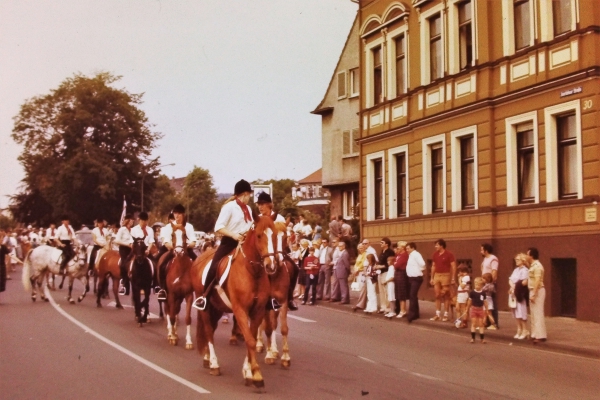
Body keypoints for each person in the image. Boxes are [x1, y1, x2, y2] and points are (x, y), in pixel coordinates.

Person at [193, 179, 253, 311]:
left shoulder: (248, 209)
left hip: (245, 244)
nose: (250, 198)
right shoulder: (229, 207)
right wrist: (234, 235)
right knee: (214, 266)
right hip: (229, 242)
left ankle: (266, 298)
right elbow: (218, 227)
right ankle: (204, 297)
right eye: (249, 195)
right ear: (244, 194)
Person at [256, 191, 298, 311]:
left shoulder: (278, 218)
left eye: (263, 204)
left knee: (295, 268)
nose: (260, 207)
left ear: (269, 205)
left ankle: (289, 298)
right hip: (264, 252)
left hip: (277, 250)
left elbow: (283, 235)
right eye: (259, 204)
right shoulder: (258, 219)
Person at [157, 204, 197, 300]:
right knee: (162, 265)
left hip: (187, 250)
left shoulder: (189, 227)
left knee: (198, 265)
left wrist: (186, 246)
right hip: (173, 250)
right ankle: (162, 288)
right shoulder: (168, 227)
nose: (177, 216)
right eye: (175, 213)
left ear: (183, 215)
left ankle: (199, 288)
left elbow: (193, 241)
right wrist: (175, 248)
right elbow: (166, 242)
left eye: (179, 214)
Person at [430, 239, 456, 322]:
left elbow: (453, 266)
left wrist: (453, 278)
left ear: (441, 245)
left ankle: (446, 314)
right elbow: (433, 266)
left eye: (437, 245)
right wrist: (431, 277)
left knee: (445, 295)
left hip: (446, 275)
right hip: (437, 275)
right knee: (437, 294)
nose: (435, 246)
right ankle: (437, 314)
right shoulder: (435, 254)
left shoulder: (449, 254)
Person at [131, 211, 158, 290]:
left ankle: (155, 284)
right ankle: (124, 282)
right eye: (142, 220)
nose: (144, 222)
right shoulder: (134, 230)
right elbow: (132, 242)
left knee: (155, 264)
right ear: (139, 220)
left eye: (145, 220)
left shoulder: (150, 230)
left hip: (146, 249)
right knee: (124, 263)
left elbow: (151, 241)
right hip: (137, 250)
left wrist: (148, 250)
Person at [527, 247, 547, 344]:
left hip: (537, 291)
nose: (527, 256)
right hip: (533, 290)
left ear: (532, 256)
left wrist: (534, 294)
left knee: (538, 313)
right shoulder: (532, 266)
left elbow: (537, 281)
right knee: (533, 314)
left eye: (528, 254)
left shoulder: (537, 266)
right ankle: (535, 334)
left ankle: (540, 335)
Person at [509, 253, 530, 340]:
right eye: (516, 260)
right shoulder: (516, 270)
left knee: (521, 311)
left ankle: (525, 330)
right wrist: (512, 286)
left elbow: (523, 282)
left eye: (518, 260)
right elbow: (510, 279)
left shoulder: (525, 270)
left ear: (523, 261)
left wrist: (514, 286)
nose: (516, 261)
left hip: (520, 293)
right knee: (515, 311)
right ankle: (519, 329)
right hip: (513, 292)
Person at [113, 214, 134, 295]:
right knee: (124, 263)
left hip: (132, 249)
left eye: (133, 220)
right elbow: (117, 240)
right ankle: (124, 284)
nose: (132, 222)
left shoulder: (133, 230)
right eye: (131, 220)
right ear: (127, 220)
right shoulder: (122, 229)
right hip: (124, 249)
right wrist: (127, 244)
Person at [405, 242, 425, 323]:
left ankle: (412, 314)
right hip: (411, 278)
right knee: (413, 296)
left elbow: (423, 264)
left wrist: (418, 270)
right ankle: (416, 313)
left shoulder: (416, 254)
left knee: (412, 295)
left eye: (408, 248)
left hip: (416, 278)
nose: (407, 250)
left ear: (413, 248)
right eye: (406, 249)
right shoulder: (411, 255)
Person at [481, 243, 500, 328]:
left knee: (492, 303)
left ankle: (494, 323)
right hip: (485, 282)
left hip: (490, 283)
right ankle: (487, 322)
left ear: (486, 250)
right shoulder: (485, 258)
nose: (480, 251)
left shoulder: (493, 259)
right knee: (486, 303)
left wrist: (491, 282)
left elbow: (494, 271)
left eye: (482, 250)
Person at [375, 238, 395, 314]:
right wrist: (377, 266)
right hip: (380, 272)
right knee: (381, 291)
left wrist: (380, 266)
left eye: (382, 243)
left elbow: (390, 263)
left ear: (386, 244)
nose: (381, 244)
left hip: (386, 272)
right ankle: (383, 307)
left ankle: (388, 307)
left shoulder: (390, 252)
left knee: (386, 291)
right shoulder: (382, 252)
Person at [467, 277, 488, 344]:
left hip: (480, 309)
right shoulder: (472, 292)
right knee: (474, 323)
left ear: (482, 286)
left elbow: (485, 302)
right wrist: (467, 308)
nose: (477, 286)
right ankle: (473, 338)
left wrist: (486, 309)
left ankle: (482, 338)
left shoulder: (483, 293)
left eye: (478, 285)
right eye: (475, 284)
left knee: (481, 324)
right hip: (474, 309)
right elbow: (469, 301)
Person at [393, 241, 409, 318]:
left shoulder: (404, 255)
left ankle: (403, 310)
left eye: (398, 246)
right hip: (397, 274)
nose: (397, 248)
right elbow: (394, 263)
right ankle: (401, 310)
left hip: (402, 274)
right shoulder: (398, 255)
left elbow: (397, 265)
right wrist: (395, 263)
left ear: (403, 248)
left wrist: (395, 264)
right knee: (398, 292)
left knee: (402, 293)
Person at [455, 264, 471, 328]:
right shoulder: (463, 277)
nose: (459, 273)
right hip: (460, 293)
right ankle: (458, 322)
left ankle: (464, 322)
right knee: (457, 308)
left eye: (460, 271)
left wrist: (459, 279)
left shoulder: (466, 277)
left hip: (463, 293)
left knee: (463, 308)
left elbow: (462, 286)